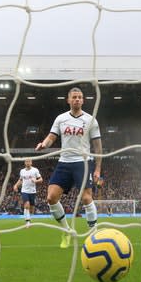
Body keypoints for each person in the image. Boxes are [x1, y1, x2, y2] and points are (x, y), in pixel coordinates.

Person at [36, 87, 102, 248]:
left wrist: (98, 169)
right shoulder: (61, 119)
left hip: (83, 161)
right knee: (51, 198)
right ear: (68, 100)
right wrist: (44, 144)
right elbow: (52, 137)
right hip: (64, 162)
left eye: (80, 97)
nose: (77, 99)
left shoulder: (91, 120)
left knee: (87, 198)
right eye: (74, 97)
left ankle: (93, 235)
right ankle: (67, 231)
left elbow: (98, 147)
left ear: (83, 100)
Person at [13, 158, 43, 228]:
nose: (27, 163)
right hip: (24, 191)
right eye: (26, 161)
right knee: (27, 204)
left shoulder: (35, 170)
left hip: (32, 191)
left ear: (31, 163)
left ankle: (29, 217)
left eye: (29, 161)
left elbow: (41, 180)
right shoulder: (22, 171)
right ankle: (27, 221)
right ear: (24, 163)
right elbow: (20, 180)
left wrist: (35, 181)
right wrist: (16, 185)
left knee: (32, 208)